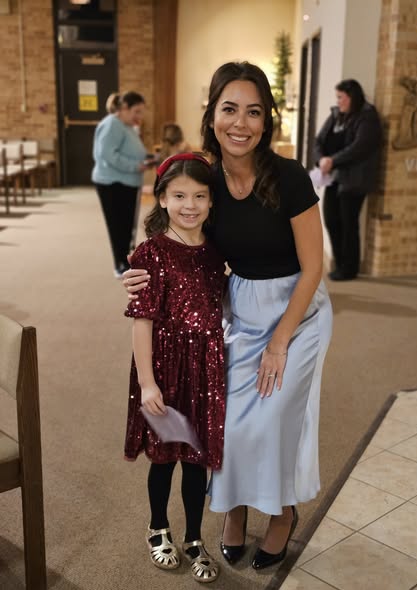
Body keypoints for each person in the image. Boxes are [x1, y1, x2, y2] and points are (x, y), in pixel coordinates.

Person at [123, 61, 333, 572]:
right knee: (230, 421)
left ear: (267, 120)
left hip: (298, 310)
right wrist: (141, 271)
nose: (241, 123)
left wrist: (280, 342)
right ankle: (234, 508)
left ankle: (282, 513)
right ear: (212, 115)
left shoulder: (288, 177)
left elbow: (314, 268)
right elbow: (181, 235)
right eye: (230, 109)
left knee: (274, 418)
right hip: (238, 305)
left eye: (254, 112)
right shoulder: (207, 179)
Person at [124, 153, 226, 583]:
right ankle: (157, 527)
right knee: (165, 457)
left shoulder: (215, 251)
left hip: (205, 370)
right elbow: (142, 322)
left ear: (211, 200)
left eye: (200, 196)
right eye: (180, 195)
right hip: (164, 370)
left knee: (197, 459)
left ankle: (194, 537)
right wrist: (148, 384)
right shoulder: (151, 253)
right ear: (162, 198)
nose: (190, 205)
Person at [313, 79, 382, 281]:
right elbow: (319, 141)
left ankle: (349, 268)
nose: (338, 101)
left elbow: (360, 148)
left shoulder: (367, 116)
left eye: (341, 97)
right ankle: (340, 263)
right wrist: (322, 159)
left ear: (352, 97)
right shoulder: (336, 115)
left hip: (354, 179)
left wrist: (332, 161)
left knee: (348, 223)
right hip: (334, 177)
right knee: (331, 218)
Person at [92, 91, 152, 278]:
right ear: (124, 108)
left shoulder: (127, 126)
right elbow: (108, 155)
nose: (139, 116)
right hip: (113, 183)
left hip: (128, 181)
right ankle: (120, 264)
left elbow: (131, 150)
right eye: (136, 111)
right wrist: (135, 166)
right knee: (118, 225)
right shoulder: (112, 124)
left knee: (127, 225)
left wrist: (147, 159)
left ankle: (126, 259)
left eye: (141, 112)